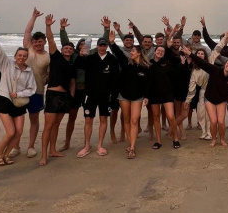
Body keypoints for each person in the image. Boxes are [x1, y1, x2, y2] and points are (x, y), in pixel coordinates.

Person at [0, 23, 36, 166]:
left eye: (24, 56)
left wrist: (19, 93)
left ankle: (6, 155)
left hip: (18, 101)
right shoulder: (6, 64)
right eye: (19, 55)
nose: (21, 57)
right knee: (10, 132)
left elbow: (31, 89)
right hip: (4, 99)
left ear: (27, 57)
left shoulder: (29, 71)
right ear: (15, 56)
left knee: (19, 132)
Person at [59, 16, 112, 150]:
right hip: (76, 90)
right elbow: (66, 43)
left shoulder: (92, 54)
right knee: (72, 116)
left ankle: (89, 144)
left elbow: (103, 44)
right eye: (81, 45)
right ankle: (67, 143)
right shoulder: (75, 55)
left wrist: (106, 29)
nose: (84, 47)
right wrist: (62, 29)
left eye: (86, 45)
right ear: (77, 47)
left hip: (89, 90)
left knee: (91, 117)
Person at [39, 15, 76, 166]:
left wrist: (72, 97)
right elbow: (51, 40)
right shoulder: (56, 57)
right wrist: (48, 26)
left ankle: (53, 150)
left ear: (73, 52)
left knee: (56, 125)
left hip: (64, 96)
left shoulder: (72, 66)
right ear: (62, 50)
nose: (68, 50)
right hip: (53, 94)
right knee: (48, 126)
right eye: (66, 48)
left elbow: (73, 82)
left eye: (70, 49)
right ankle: (43, 155)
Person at [74, 35, 120, 158]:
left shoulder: (112, 59)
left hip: (106, 96)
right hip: (91, 95)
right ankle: (87, 146)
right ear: (97, 46)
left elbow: (115, 79)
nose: (102, 47)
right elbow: (78, 65)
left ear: (107, 46)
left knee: (103, 119)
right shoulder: (90, 58)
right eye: (100, 45)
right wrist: (81, 55)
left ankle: (100, 145)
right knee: (88, 119)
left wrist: (113, 95)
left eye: (105, 45)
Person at [109, 30, 152, 159]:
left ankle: (132, 147)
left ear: (139, 53)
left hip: (138, 97)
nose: (131, 52)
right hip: (124, 95)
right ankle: (131, 145)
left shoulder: (145, 67)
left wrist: (147, 96)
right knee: (126, 119)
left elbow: (147, 84)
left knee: (134, 120)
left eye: (133, 51)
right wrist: (112, 42)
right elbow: (119, 53)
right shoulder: (126, 63)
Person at [17, 7, 50, 159]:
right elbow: (27, 32)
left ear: (44, 42)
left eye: (40, 41)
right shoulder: (28, 48)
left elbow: (50, 76)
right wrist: (34, 17)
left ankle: (30, 146)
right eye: (35, 41)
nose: (37, 43)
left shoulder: (48, 57)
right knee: (18, 119)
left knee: (34, 120)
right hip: (20, 90)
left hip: (37, 91)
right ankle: (15, 146)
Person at [149, 45, 181, 149]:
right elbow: (147, 82)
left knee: (171, 116)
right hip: (154, 94)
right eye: (158, 50)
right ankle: (158, 141)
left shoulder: (168, 63)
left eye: (162, 51)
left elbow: (175, 73)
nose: (160, 52)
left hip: (167, 93)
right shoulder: (150, 64)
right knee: (156, 117)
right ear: (154, 51)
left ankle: (175, 138)